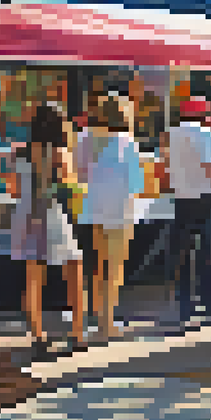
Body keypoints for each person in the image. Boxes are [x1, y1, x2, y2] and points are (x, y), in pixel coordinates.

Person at [9, 104, 86, 358]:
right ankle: (77, 333)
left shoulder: (20, 152)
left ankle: (38, 336)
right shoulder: (59, 152)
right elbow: (71, 183)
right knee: (74, 268)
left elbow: (15, 189)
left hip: (25, 214)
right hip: (50, 213)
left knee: (32, 278)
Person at [75, 97, 144, 345]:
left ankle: (96, 318)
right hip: (120, 210)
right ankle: (108, 322)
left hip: (93, 208)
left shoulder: (84, 139)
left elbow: (79, 174)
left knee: (97, 265)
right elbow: (137, 183)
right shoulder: (127, 142)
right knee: (114, 268)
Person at [165, 96, 211, 329]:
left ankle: (184, 306)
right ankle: (209, 305)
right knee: (208, 254)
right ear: (204, 113)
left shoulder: (171, 135)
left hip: (181, 197)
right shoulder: (209, 135)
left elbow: (165, 162)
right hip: (204, 196)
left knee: (182, 254)